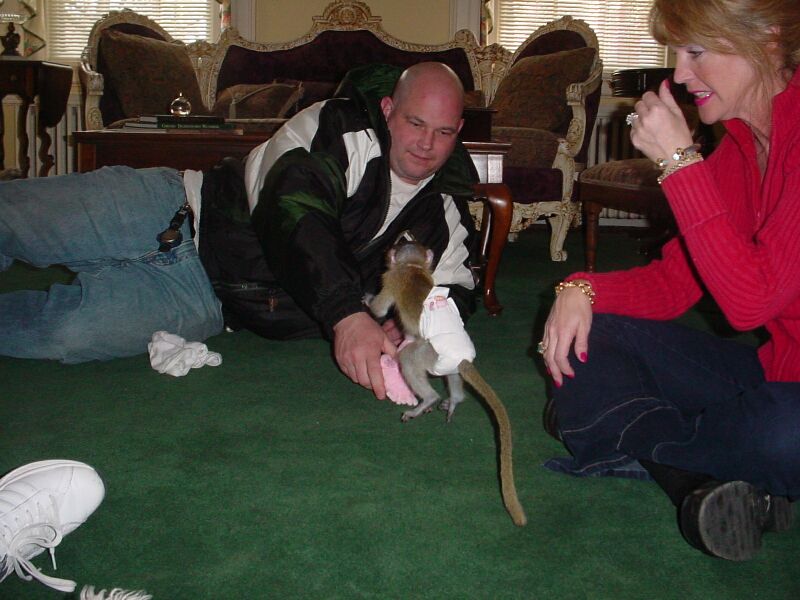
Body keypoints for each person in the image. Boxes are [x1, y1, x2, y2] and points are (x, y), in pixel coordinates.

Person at [0, 62, 479, 401]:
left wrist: (409, 323)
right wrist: (347, 314)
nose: (426, 144)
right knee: (15, 219)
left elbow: (456, 288)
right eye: (415, 122)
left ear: (458, 130)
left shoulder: (445, 211)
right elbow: (296, 212)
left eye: (443, 132)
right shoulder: (336, 127)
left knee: (63, 333)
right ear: (388, 108)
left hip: (205, 303)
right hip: (174, 207)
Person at [539, 0, 800, 561]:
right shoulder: (739, 149)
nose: (679, 75)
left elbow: (750, 304)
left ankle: (631, 437)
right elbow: (673, 284)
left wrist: (680, 164)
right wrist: (580, 289)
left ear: (769, 40)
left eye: (696, 52)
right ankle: (712, 471)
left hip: (788, 410)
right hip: (778, 372)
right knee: (590, 336)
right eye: (677, 53)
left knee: (784, 433)